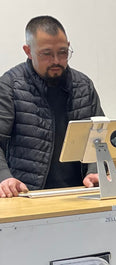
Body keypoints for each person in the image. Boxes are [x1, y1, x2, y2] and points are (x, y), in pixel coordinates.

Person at [0, 15, 103, 197]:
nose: (56, 60)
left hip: (79, 193)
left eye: (63, 52)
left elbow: (98, 135)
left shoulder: (83, 85)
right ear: (28, 51)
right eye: (47, 54)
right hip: (26, 194)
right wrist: (4, 177)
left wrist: (94, 171)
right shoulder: (10, 86)